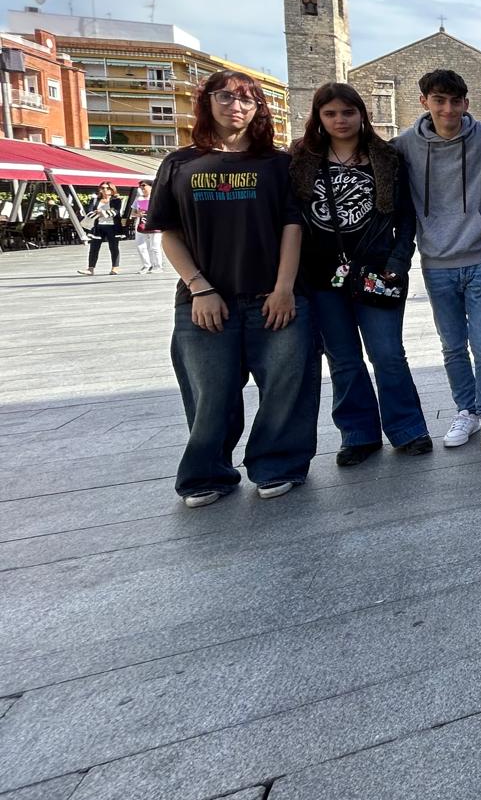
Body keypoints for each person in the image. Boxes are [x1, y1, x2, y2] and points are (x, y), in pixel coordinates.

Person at [146, 70, 318, 506]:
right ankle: (209, 473)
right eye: (225, 97)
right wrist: (199, 287)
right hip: (204, 301)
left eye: (247, 99)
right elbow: (169, 232)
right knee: (210, 393)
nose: (235, 106)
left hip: (272, 297)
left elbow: (292, 227)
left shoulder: (277, 164)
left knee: (286, 387)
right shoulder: (180, 163)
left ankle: (277, 465)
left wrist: (284, 289)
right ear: (207, 102)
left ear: (259, 108)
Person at [292, 82, 432, 467]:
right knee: (343, 358)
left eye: (348, 112)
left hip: (377, 270)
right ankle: (358, 434)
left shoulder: (385, 157)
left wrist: (398, 262)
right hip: (322, 275)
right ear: (319, 117)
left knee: (388, 353)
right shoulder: (302, 158)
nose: (340, 120)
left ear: (361, 114)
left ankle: (408, 429)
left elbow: (405, 217)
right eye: (331, 113)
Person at [392, 69, 481, 450]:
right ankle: (467, 411)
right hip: (436, 261)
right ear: (424, 101)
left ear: (466, 103)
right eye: (439, 101)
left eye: (455, 101)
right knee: (453, 344)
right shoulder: (404, 145)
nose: (448, 109)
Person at [79, 181, 124, 275]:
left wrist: (102, 212)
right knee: (94, 247)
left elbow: (115, 212)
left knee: (113, 247)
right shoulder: (95, 200)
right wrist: (98, 213)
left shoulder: (116, 200)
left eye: (107, 188)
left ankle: (115, 267)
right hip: (98, 226)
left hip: (112, 226)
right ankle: (90, 269)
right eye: (102, 188)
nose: (104, 190)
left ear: (112, 190)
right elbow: (89, 211)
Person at [130, 180, 164, 273]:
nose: (142, 188)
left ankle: (158, 266)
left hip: (155, 223)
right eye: (140, 186)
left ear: (151, 187)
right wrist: (138, 214)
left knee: (155, 246)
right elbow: (132, 213)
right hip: (141, 223)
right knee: (140, 245)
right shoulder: (138, 199)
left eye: (144, 186)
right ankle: (146, 265)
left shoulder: (156, 198)